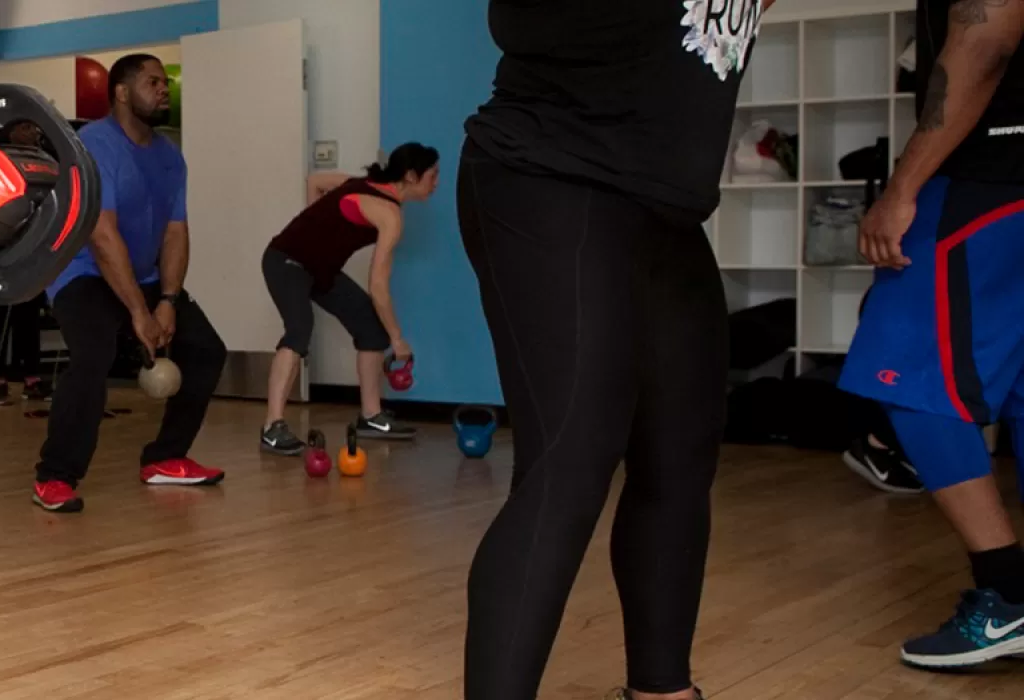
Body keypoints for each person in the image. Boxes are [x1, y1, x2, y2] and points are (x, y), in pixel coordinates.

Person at [456, 1, 777, 698]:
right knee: (570, 461)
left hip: (664, 208)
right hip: (548, 175)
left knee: (679, 453)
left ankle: (662, 690)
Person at [838, 0, 1024, 671]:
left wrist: (902, 187)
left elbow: (989, 36)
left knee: (904, 362)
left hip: (992, 173)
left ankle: (1008, 596)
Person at [30, 54, 226, 513]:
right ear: (121, 92)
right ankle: (55, 476)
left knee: (205, 351)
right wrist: (139, 311)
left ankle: (165, 458)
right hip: (82, 273)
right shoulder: (94, 144)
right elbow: (101, 235)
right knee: (92, 356)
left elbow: (176, 231)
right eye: (153, 82)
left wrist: (169, 301)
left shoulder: (169, 156)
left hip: (144, 274)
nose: (164, 89)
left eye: (165, 83)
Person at [257, 143, 439, 455]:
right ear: (410, 175)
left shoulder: (362, 186)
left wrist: (316, 225)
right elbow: (378, 285)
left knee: (370, 328)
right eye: (433, 176)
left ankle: (370, 417)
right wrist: (398, 340)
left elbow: (315, 181)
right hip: (285, 260)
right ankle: (272, 427)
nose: (436, 183)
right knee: (300, 330)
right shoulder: (390, 215)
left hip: (320, 270)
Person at [0, 119, 54, 406]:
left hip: (32, 241)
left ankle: (32, 378)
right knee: (5, 311)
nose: (33, 133)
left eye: (34, 128)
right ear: (11, 131)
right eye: (26, 128)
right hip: (0, 241)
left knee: (29, 312)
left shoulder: (41, 157)